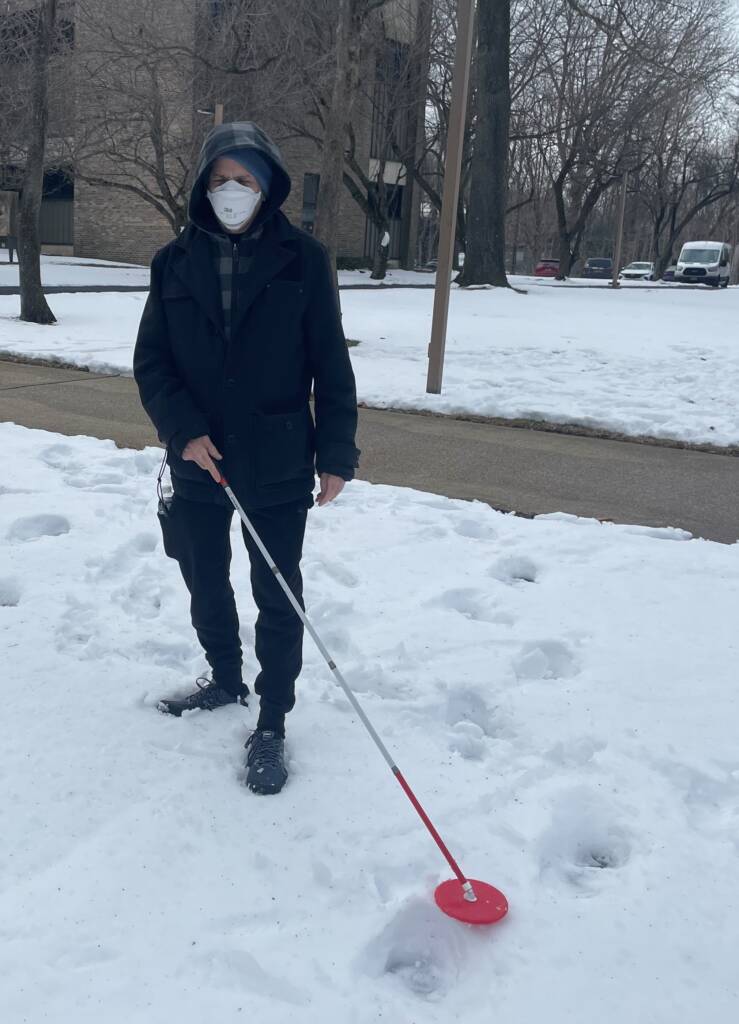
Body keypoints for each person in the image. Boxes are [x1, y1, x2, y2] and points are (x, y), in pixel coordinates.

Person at [134, 122, 360, 795]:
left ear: (268, 186)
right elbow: (152, 363)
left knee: (277, 594)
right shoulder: (172, 263)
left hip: (278, 462)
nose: (232, 191)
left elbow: (331, 365)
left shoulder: (304, 260)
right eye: (220, 179)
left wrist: (337, 453)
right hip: (199, 463)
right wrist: (182, 431)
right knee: (205, 580)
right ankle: (225, 678)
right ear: (204, 187)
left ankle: (271, 721)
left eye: (245, 179)